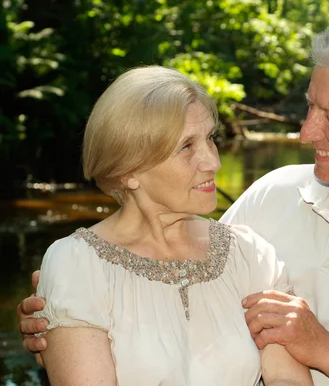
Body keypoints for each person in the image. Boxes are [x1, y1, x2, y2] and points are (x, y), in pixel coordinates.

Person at [18, 16, 329, 385]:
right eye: (310, 106)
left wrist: (326, 350)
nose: (306, 132)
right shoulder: (275, 193)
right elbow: (175, 267)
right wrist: (68, 317)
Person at [19, 65, 312, 385]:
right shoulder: (76, 265)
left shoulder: (250, 255)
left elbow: (289, 380)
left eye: (210, 138)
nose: (213, 161)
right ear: (128, 170)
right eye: (186, 146)